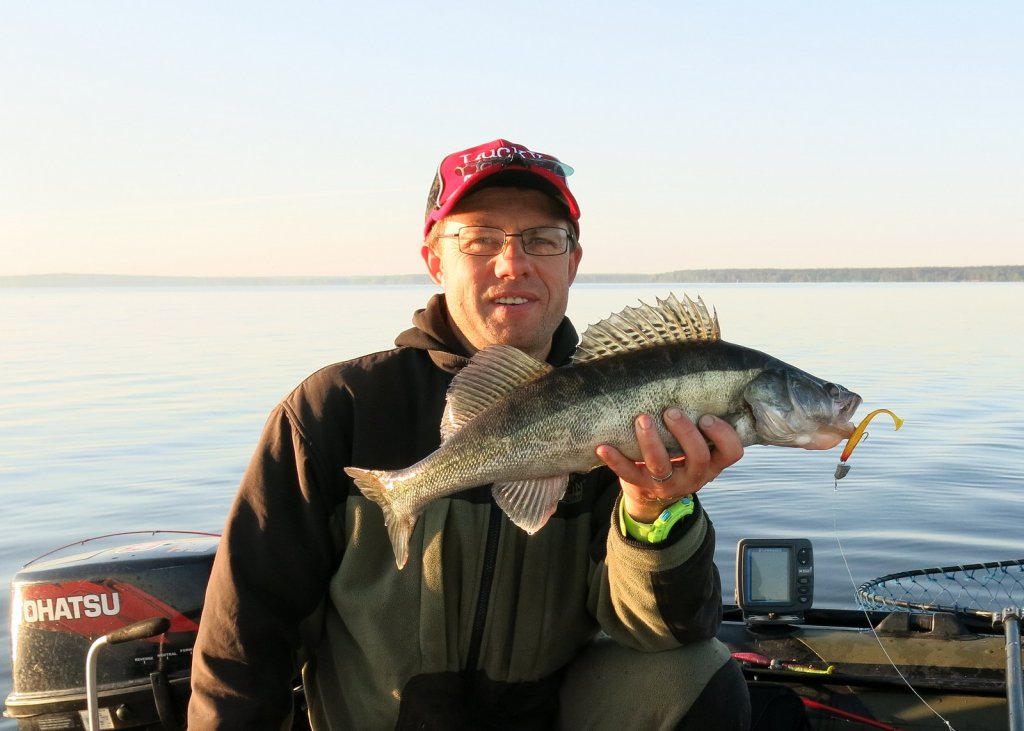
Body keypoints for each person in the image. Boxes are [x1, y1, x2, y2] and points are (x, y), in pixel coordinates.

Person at [188, 139, 752, 730]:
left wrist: (655, 510)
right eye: (480, 239)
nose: (513, 264)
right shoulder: (337, 409)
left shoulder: (625, 415)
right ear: (435, 260)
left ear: (572, 262)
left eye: (543, 239)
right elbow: (246, 639)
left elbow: (666, 632)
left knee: (698, 673)